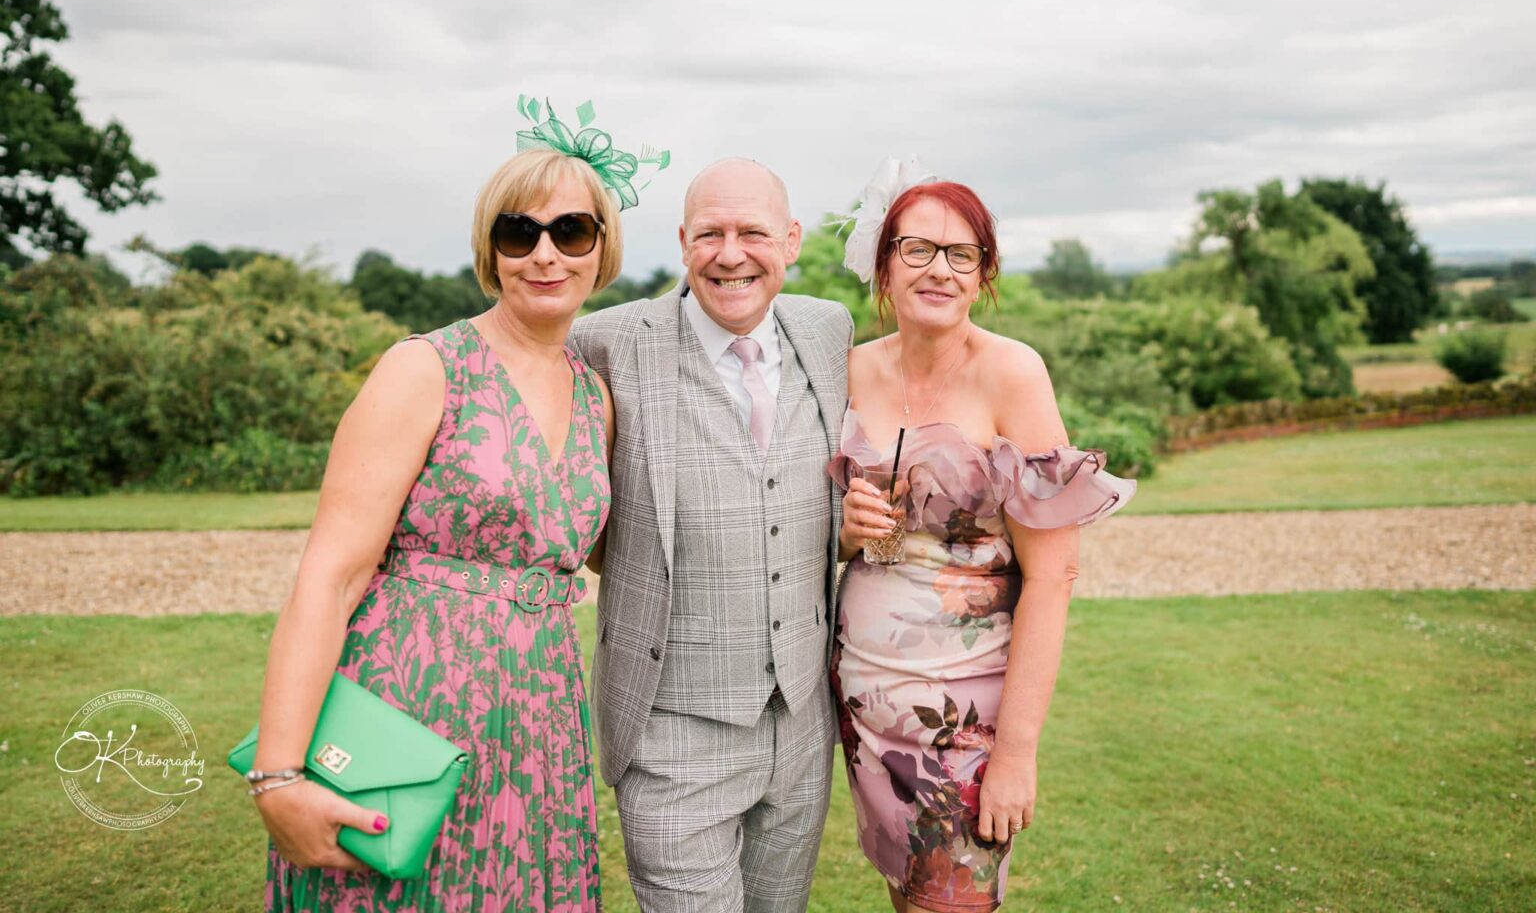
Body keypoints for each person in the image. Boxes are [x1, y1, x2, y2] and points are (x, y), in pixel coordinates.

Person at [249, 106, 653, 911]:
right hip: (410, 705)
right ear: (490, 249)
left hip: (540, 722)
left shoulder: (597, 396)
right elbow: (330, 577)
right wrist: (279, 776)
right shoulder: (424, 370)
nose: (544, 253)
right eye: (518, 232)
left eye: (570, 231)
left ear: (601, 247)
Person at [830, 166, 1136, 913]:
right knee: (908, 896)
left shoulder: (1011, 374)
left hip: (964, 723)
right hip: (863, 710)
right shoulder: (849, 369)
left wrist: (1016, 754)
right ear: (884, 263)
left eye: (961, 254)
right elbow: (823, 535)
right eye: (918, 249)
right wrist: (844, 532)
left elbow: (1055, 574)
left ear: (984, 273)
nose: (939, 268)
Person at [570, 157, 853, 912]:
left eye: (753, 232)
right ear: (683, 241)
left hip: (800, 725)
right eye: (710, 235)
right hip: (670, 728)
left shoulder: (827, 331)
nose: (731, 254)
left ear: (791, 240)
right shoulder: (603, 343)